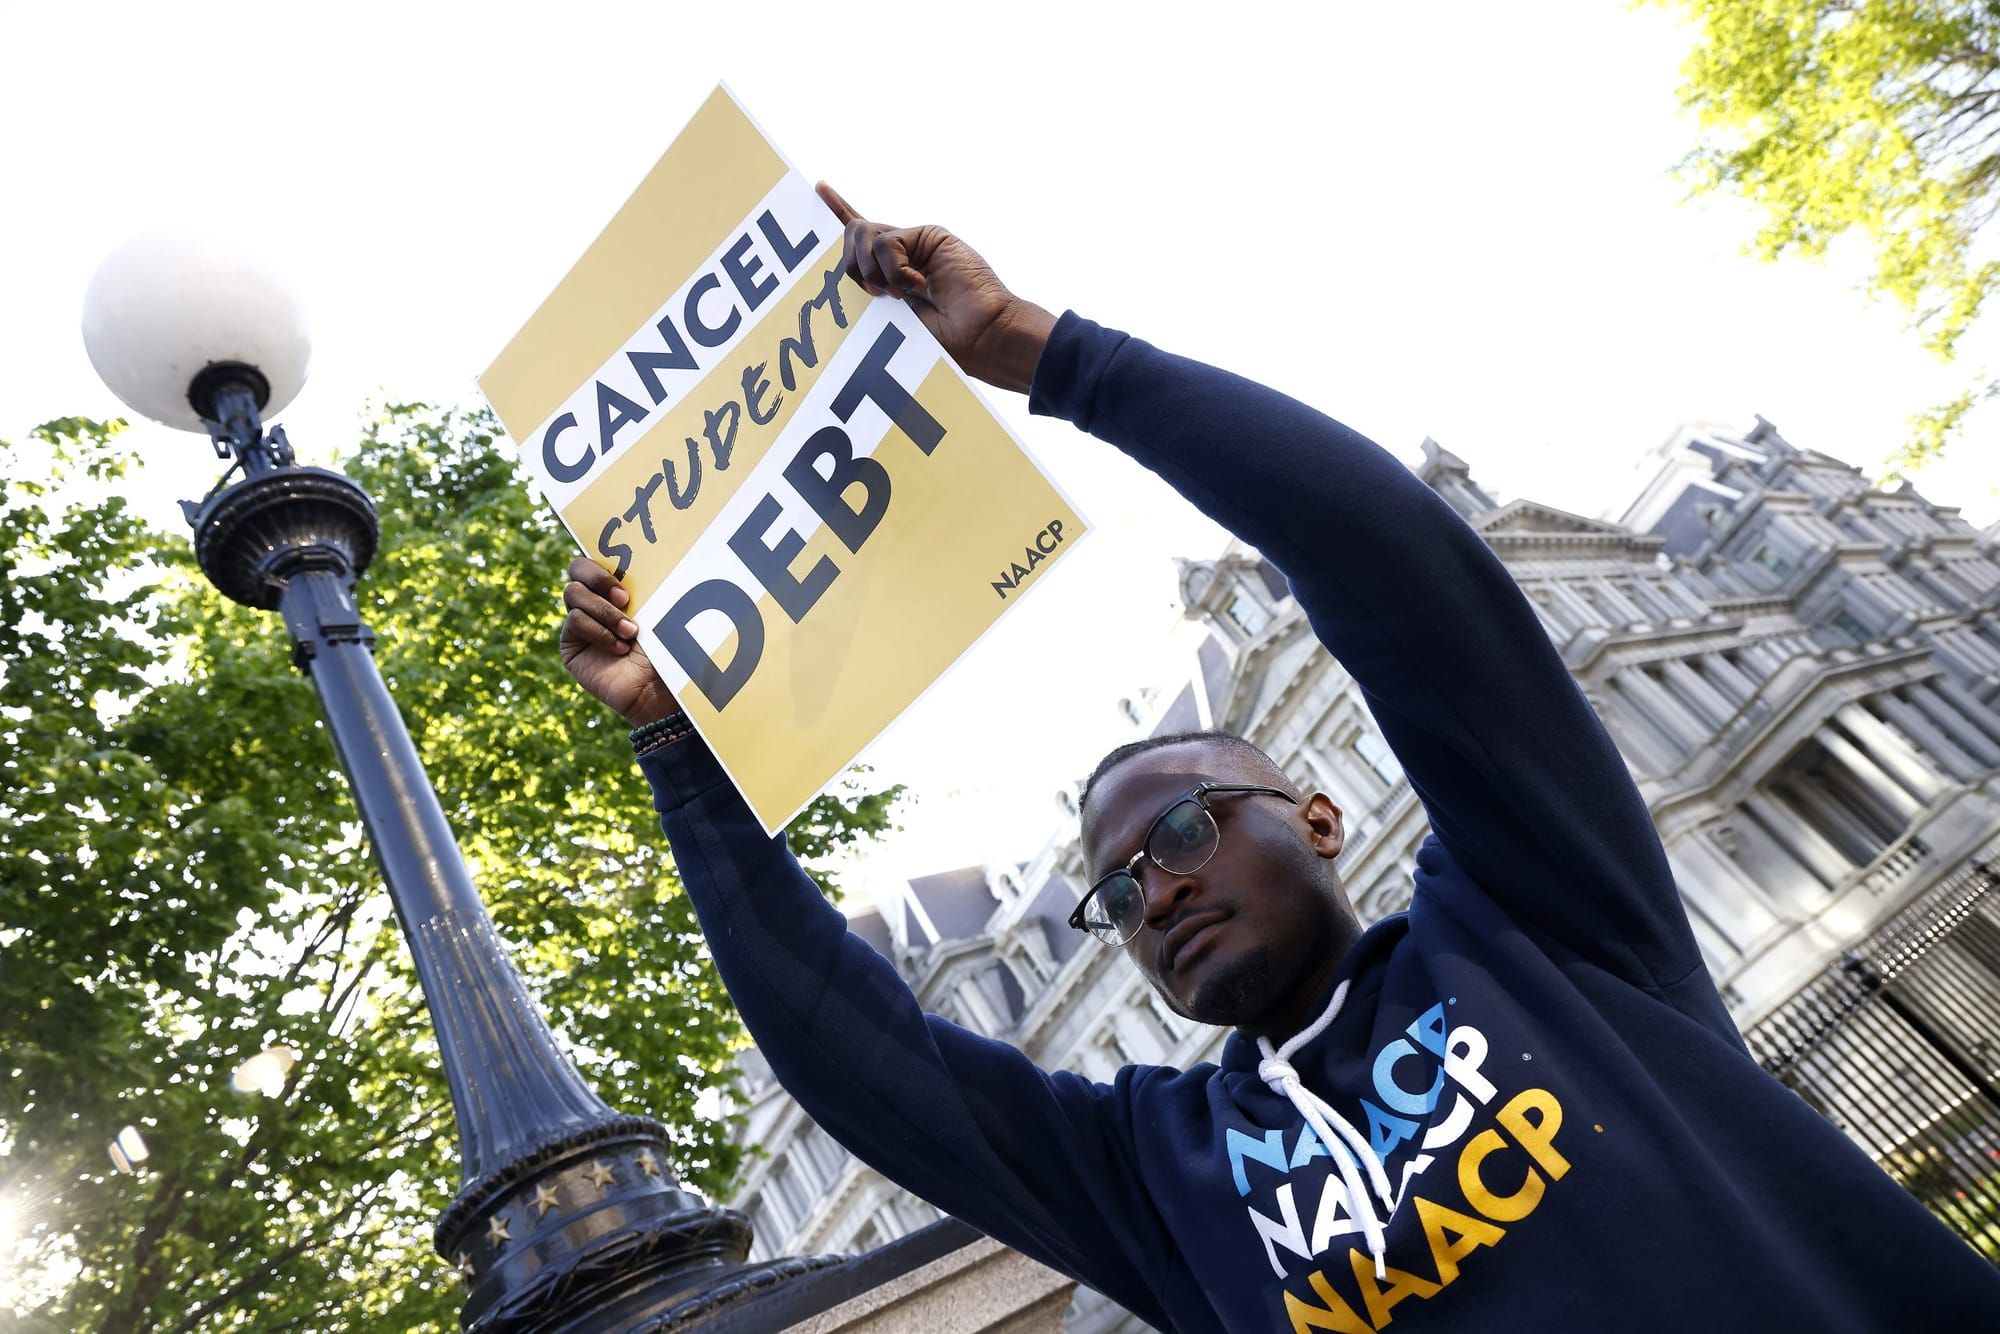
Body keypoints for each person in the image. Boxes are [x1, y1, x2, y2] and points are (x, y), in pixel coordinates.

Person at [558, 185, 2000, 1332]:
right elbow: (857, 1052)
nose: (1151, 895)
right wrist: (675, 739)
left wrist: (1050, 357)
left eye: (1178, 833)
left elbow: (1396, 571)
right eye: (1116, 896)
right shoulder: (1158, 1176)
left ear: (1315, 814)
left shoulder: (1535, 926)